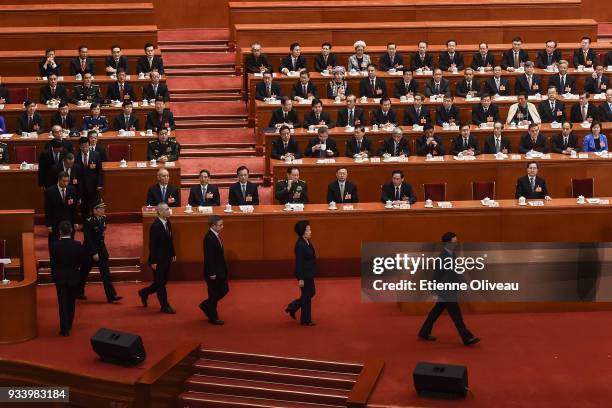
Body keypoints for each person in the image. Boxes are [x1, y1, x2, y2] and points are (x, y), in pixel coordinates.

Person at [418, 232, 480, 346]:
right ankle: (467, 338)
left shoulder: (451, 254)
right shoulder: (443, 257)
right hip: (446, 291)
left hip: (449, 290)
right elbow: (437, 275)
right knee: (457, 316)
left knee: (435, 312)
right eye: (454, 242)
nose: (456, 243)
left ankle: (424, 332)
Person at [78, 200, 121, 303]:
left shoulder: (103, 219)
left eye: (103, 208)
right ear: (94, 210)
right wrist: (94, 253)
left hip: (101, 251)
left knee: (106, 274)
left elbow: (101, 236)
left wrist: (100, 251)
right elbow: (88, 239)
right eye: (100, 209)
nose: (103, 210)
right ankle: (78, 292)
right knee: (83, 273)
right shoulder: (88, 222)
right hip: (89, 252)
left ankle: (111, 296)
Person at [138, 203, 176, 314]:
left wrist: (173, 253)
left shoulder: (167, 222)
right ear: (159, 212)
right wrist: (153, 261)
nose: (169, 211)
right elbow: (152, 245)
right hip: (157, 260)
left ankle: (144, 292)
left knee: (162, 282)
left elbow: (170, 239)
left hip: (167, 257)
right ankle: (165, 306)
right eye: (166, 209)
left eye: (168, 209)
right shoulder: (155, 226)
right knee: (160, 284)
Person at [49, 221, 83, 336]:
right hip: (73, 276)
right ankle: (69, 324)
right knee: (71, 302)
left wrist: (54, 276)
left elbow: (53, 263)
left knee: (62, 302)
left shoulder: (54, 245)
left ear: (59, 231)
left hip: (60, 276)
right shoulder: (77, 244)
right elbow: (80, 262)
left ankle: (64, 329)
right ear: (71, 231)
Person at [285, 220, 317, 326]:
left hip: (310, 273)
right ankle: (305, 320)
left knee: (310, 293)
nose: (310, 231)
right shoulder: (299, 245)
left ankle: (293, 307)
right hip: (304, 274)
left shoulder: (307, 241)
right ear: (303, 231)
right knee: (307, 295)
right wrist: (301, 278)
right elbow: (299, 263)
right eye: (308, 230)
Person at [199, 215, 229, 325]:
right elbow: (209, 257)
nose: (222, 227)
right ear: (213, 226)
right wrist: (212, 273)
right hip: (213, 273)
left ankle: (206, 305)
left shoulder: (215, 235)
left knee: (224, 290)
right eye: (220, 225)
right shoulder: (209, 238)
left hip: (219, 271)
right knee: (213, 294)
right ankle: (213, 317)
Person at [45, 171, 78, 242]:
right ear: (59, 180)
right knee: (53, 241)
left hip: (69, 221)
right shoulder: (50, 191)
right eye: (64, 181)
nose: (66, 183)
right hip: (55, 221)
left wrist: (75, 221)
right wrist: (49, 224)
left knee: (70, 242)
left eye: (67, 181)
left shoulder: (72, 189)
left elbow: (74, 207)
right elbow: (47, 209)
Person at [75, 137, 104, 219]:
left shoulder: (96, 155)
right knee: (84, 206)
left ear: (89, 145)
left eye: (86, 146)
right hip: (81, 186)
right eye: (83, 146)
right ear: (80, 146)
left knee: (94, 205)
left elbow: (99, 171)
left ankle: (96, 222)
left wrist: (99, 184)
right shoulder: (76, 157)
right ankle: (85, 224)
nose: (85, 148)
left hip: (93, 185)